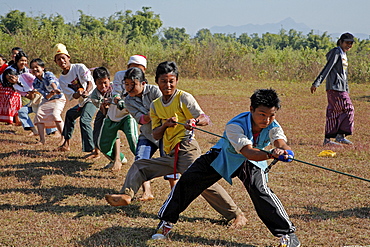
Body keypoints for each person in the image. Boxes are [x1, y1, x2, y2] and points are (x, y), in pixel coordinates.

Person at [105, 61, 247, 228]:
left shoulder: (183, 98)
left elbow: (205, 118)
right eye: (164, 81)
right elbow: (156, 133)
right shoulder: (155, 105)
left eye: (171, 80)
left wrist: (194, 121)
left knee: (201, 183)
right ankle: (126, 196)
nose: (168, 85)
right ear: (157, 82)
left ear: (177, 81)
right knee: (140, 165)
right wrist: (165, 125)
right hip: (170, 152)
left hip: (186, 149)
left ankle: (237, 214)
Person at [151, 88, 300, 247]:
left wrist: (285, 150)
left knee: (260, 190)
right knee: (189, 180)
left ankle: (288, 235)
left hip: (253, 161)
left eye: (272, 115)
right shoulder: (235, 125)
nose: (267, 120)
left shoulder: (274, 125)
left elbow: (280, 141)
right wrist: (272, 155)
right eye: (262, 114)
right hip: (223, 156)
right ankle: (166, 222)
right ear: (251, 110)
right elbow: (247, 151)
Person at [124, 66, 170, 201]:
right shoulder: (128, 100)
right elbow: (142, 120)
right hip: (147, 134)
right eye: (127, 84)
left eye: (133, 84)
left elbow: (165, 109)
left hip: (165, 134)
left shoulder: (155, 91)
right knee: (141, 160)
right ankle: (147, 192)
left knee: (170, 164)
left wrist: (154, 114)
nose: (129, 88)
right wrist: (153, 114)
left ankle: (175, 192)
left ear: (143, 84)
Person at [311, 32, 355, 146]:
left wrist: (346, 88)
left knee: (334, 112)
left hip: (341, 87)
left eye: (351, 44)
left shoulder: (344, 54)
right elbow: (328, 68)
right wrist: (317, 82)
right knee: (348, 108)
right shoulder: (336, 52)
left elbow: (343, 74)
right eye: (347, 43)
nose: (349, 45)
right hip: (335, 87)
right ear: (340, 42)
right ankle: (338, 137)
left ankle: (330, 139)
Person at [54, 43, 97, 153]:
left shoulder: (79, 67)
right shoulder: (62, 80)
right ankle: (66, 144)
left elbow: (90, 83)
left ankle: (92, 149)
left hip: (93, 98)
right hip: (83, 101)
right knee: (69, 114)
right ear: (56, 62)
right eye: (58, 59)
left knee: (84, 120)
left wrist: (86, 91)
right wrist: (79, 93)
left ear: (68, 58)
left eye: (63, 58)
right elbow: (72, 96)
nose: (61, 61)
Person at [96, 67, 138, 172]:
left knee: (134, 141)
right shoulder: (94, 96)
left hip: (127, 116)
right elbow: (105, 111)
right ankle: (119, 159)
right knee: (103, 145)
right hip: (112, 117)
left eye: (105, 83)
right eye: (99, 83)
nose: (103, 86)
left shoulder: (136, 84)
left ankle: (144, 165)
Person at [30, 58, 66, 145]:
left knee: (55, 115)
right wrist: (51, 93)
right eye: (32, 68)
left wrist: (55, 89)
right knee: (39, 116)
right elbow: (46, 96)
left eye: (36, 67)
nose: (35, 69)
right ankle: (42, 140)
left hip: (59, 98)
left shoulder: (48, 74)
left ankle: (64, 138)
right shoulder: (35, 82)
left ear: (42, 68)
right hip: (48, 100)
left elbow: (52, 82)